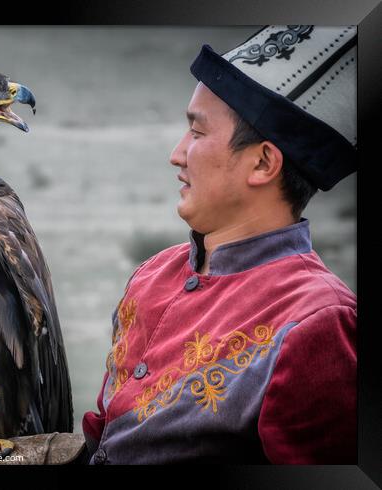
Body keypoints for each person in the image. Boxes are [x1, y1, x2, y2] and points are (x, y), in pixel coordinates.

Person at [82, 25, 357, 464]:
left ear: (263, 162)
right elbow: (103, 438)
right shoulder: (154, 274)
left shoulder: (317, 320)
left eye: (197, 132)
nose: (177, 153)